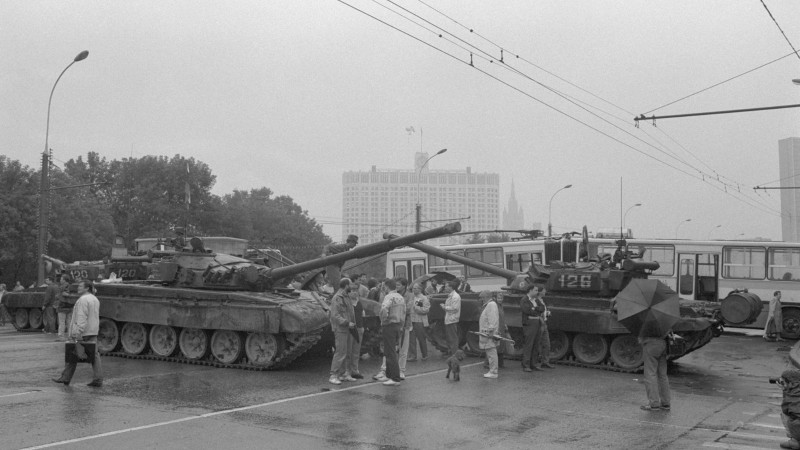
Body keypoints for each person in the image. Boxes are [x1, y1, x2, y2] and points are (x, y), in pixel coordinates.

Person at [52, 280, 103, 387]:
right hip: (93, 330)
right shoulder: (95, 299)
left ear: (87, 288)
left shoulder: (83, 300)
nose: (78, 288)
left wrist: (77, 332)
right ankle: (98, 379)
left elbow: (81, 317)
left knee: (72, 353)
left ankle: (66, 377)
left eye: (80, 286)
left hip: (83, 332)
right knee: (94, 355)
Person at [377, 279, 405, 386]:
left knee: (390, 352)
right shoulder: (400, 297)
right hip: (398, 325)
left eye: (384, 286)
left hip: (389, 325)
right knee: (390, 350)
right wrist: (401, 325)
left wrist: (383, 320)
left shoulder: (388, 297)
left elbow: (384, 309)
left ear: (387, 287)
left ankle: (395, 378)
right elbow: (403, 312)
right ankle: (389, 375)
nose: (383, 288)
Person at [328, 279, 356, 385]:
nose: (352, 286)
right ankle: (333, 375)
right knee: (340, 352)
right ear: (346, 285)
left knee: (347, 352)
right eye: (351, 284)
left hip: (348, 328)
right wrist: (346, 322)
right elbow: (335, 315)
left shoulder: (346, 296)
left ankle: (344, 373)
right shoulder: (337, 298)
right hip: (341, 329)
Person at [639, 332, 671, 411]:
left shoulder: (647, 324)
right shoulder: (663, 324)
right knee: (662, 375)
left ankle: (654, 404)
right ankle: (666, 403)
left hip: (651, 344)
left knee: (650, 374)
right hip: (663, 343)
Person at [521, 284, 546, 372]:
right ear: (530, 290)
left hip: (537, 323)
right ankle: (526, 365)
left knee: (536, 344)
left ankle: (533, 364)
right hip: (529, 323)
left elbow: (542, 308)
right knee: (529, 344)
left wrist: (535, 308)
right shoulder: (524, 300)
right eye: (535, 290)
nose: (537, 292)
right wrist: (536, 310)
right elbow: (527, 310)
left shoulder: (536, 299)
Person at [344, 286, 365, 380]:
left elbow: (362, 315)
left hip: (359, 328)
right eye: (352, 291)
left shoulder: (359, 302)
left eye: (356, 290)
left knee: (356, 351)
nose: (354, 292)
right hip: (350, 329)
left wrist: (362, 327)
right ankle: (347, 371)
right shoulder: (346, 303)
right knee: (348, 351)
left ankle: (355, 370)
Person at [478, 290, 500, 379]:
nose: (481, 299)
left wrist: (491, 331)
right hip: (487, 333)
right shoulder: (489, 304)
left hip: (489, 333)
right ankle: (492, 370)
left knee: (491, 352)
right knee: (490, 352)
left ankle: (493, 372)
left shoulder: (491, 305)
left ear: (486, 297)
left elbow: (492, 319)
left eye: (482, 298)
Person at [777, 369, 800, 450]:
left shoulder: (794, 394)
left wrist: (785, 391)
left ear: (790, 383)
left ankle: (794, 441)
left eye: (783, 382)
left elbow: (786, 408)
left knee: (784, 414)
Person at [407, 283, 430, 362]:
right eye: (413, 288)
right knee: (411, 339)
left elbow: (425, 310)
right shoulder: (411, 297)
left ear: (420, 289)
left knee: (421, 338)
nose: (414, 290)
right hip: (411, 320)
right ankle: (413, 356)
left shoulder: (423, 298)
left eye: (416, 288)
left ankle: (425, 355)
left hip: (420, 321)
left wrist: (416, 308)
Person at [441, 280, 461, 355]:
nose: (445, 287)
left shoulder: (455, 296)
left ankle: (454, 354)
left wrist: (444, 307)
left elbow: (455, 308)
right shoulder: (451, 295)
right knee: (450, 338)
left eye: (446, 286)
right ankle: (452, 353)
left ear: (451, 287)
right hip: (449, 319)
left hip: (452, 319)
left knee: (453, 338)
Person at [536, 287, 555, 369]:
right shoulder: (536, 300)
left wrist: (547, 313)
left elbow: (542, 311)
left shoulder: (542, 300)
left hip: (544, 323)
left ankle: (545, 362)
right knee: (537, 343)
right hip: (539, 323)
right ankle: (534, 362)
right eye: (544, 291)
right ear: (540, 292)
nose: (545, 292)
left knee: (546, 344)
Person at [55, 276, 73, 341]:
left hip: (62, 306)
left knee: (62, 322)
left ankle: (61, 336)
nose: (60, 280)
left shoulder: (62, 287)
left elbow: (61, 294)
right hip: (70, 306)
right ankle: (70, 336)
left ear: (64, 280)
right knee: (69, 322)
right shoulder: (72, 286)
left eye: (61, 279)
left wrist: (58, 296)